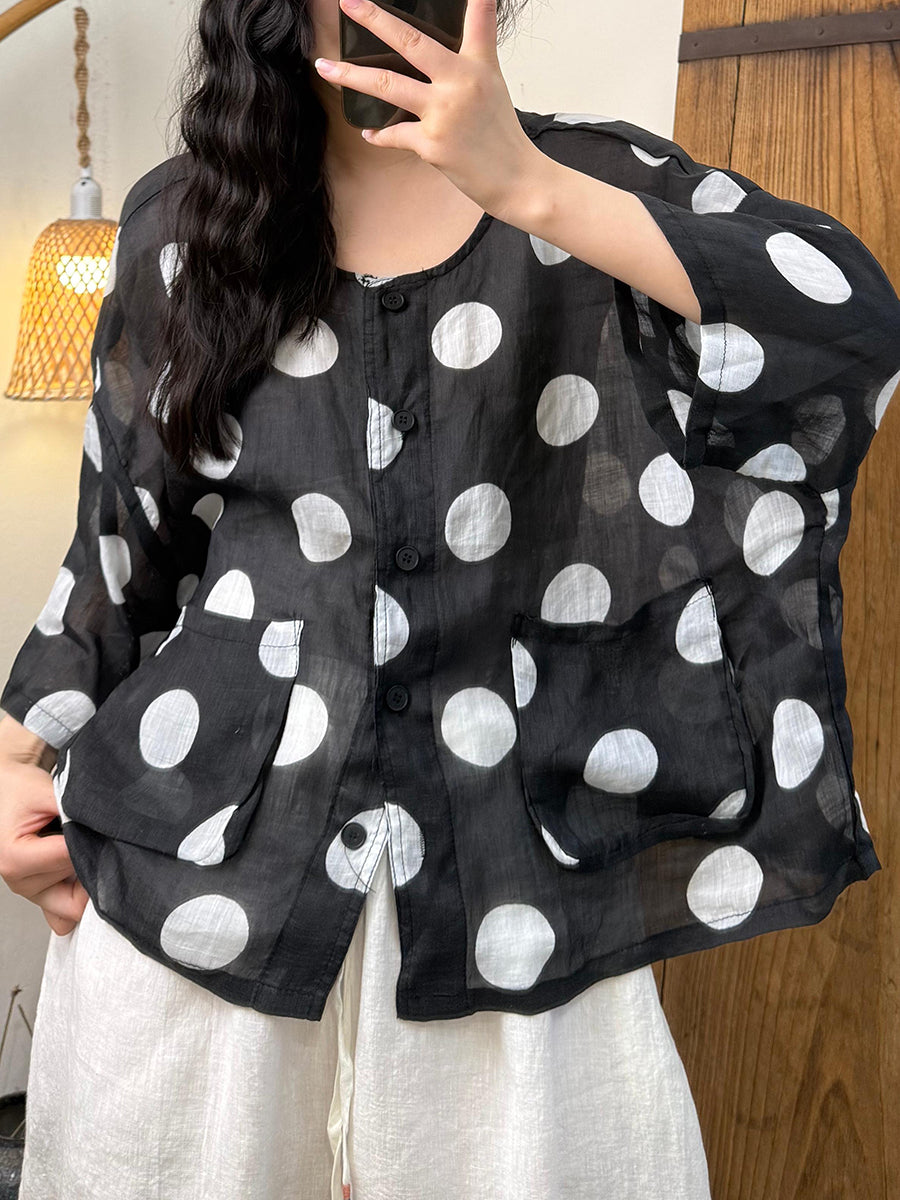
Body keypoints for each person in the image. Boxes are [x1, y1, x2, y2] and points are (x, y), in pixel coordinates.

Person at [2, 0, 898, 1196]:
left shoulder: (595, 186)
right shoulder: (184, 221)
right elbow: (121, 544)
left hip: (520, 872)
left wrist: (528, 185)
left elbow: (850, 323)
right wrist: (10, 761)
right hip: (194, 867)